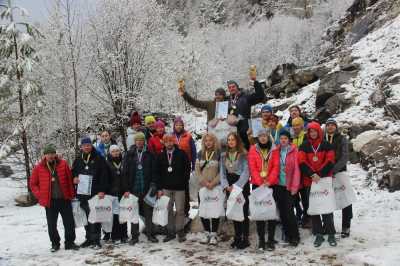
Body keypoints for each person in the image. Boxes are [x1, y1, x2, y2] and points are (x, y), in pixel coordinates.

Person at [29, 144, 79, 252]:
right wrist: (40, 195)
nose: (51, 156)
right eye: (48, 154)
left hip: (64, 199)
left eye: (52, 153)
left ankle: (70, 242)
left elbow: (70, 179)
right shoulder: (38, 167)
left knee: (69, 223)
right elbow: (33, 184)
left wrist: (72, 194)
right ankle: (55, 243)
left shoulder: (63, 164)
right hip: (50, 201)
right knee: (52, 225)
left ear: (55, 154)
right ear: (45, 155)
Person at [298, 122, 336, 247]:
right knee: (313, 207)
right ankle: (318, 233)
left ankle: (330, 232)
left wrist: (319, 174)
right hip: (310, 181)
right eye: (310, 132)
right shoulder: (304, 145)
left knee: (326, 206)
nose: (312, 133)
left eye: (314, 131)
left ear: (319, 131)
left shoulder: (326, 144)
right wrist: (312, 174)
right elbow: (302, 162)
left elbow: (330, 160)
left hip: (324, 180)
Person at [122, 132, 159, 244]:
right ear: (135, 142)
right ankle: (134, 236)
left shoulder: (149, 154)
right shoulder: (129, 154)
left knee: (148, 212)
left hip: (147, 188)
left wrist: (153, 184)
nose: (139, 142)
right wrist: (126, 189)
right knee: (134, 213)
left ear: (144, 141)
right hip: (134, 188)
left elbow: (154, 171)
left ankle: (150, 234)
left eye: (141, 140)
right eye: (137, 140)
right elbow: (125, 173)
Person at [72, 136, 108, 249]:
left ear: (91, 145)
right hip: (82, 193)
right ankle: (89, 238)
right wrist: (74, 178)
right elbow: (73, 173)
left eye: (88, 145)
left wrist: (102, 190)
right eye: (84, 145)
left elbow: (104, 175)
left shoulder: (99, 158)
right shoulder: (78, 159)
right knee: (86, 217)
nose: (86, 147)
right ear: (81, 147)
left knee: (95, 216)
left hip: (96, 193)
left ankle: (96, 240)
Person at [267, 130, 301, 247]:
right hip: (278, 186)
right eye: (281, 138)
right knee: (282, 212)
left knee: (290, 212)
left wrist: (295, 187)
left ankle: (295, 236)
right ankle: (287, 234)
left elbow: (297, 170)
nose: (283, 140)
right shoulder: (275, 151)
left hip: (290, 186)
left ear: (289, 139)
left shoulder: (294, 151)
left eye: (285, 138)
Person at [155, 133, 191, 243]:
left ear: (173, 142)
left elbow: (187, 168)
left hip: (180, 187)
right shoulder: (160, 156)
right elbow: (158, 173)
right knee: (168, 209)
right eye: (166, 142)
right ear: (164, 143)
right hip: (166, 188)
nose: (169, 143)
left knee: (180, 210)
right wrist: (159, 188)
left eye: (171, 141)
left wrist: (183, 181)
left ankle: (180, 230)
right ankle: (170, 231)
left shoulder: (181, 153)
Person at [247, 128, 277, 251]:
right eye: (261, 136)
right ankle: (261, 240)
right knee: (259, 213)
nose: (263, 138)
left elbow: (276, 166)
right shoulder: (253, 149)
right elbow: (252, 167)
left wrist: (269, 181)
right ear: (258, 138)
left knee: (271, 212)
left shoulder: (274, 149)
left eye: (265, 136)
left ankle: (270, 240)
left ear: (268, 136)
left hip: (271, 184)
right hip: (257, 184)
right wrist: (260, 181)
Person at [220, 132, 250, 249]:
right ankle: (237, 237)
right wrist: (226, 185)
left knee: (243, 210)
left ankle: (245, 237)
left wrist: (237, 186)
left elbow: (246, 172)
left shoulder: (243, 154)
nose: (231, 142)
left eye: (233, 139)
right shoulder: (223, 155)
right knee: (234, 210)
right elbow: (222, 172)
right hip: (229, 184)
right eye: (229, 140)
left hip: (241, 184)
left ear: (237, 141)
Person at [324, 118, 352, 238]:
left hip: (340, 173)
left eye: (332, 125)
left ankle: (346, 225)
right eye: (328, 125)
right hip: (326, 174)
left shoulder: (342, 138)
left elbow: (345, 156)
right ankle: (329, 226)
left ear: (336, 127)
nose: (330, 127)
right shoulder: (322, 139)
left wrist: (334, 169)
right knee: (327, 199)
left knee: (345, 199)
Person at [195, 133, 221, 245]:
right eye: (206, 141)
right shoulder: (200, 153)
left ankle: (214, 235)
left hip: (215, 187)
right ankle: (207, 234)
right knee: (203, 210)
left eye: (210, 140)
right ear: (203, 142)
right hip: (203, 187)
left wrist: (214, 183)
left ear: (214, 141)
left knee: (215, 211)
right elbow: (197, 170)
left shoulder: (219, 154)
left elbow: (222, 172)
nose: (208, 142)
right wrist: (204, 182)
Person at [226, 79, 265, 150]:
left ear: (237, 87)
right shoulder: (228, 101)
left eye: (233, 86)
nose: (232, 88)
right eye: (230, 87)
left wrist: (255, 82)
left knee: (249, 149)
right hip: (233, 132)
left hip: (246, 129)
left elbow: (260, 96)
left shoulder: (245, 97)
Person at [103, 145, 127, 243]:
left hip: (123, 192)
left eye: (117, 151)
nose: (116, 153)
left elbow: (126, 176)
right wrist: (107, 191)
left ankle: (124, 235)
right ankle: (115, 236)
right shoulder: (107, 163)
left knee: (124, 213)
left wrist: (127, 189)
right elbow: (105, 178)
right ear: (110, 153)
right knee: (115, 215)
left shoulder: (124, 162)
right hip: (112, 193)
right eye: (113, 151)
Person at [290, 117, 308, 225]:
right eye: (294, 125)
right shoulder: (291, 138)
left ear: (302, 125)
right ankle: (299, 212)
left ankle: (306, 215)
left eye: (298, 125)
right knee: (295, 195)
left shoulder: (306, 137)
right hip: (294, 172)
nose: (296, 127)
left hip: (304, 171)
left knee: (305, 196)